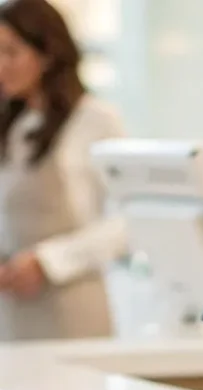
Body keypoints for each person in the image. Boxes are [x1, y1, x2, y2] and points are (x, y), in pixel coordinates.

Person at [0, 0, 126, 340]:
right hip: (12, 311)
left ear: (47, 53)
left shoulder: (96, 120)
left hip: (72, 309)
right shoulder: (15, 124)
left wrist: (47, 261)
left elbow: (125, 223)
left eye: (11, 53)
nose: (1, 66)